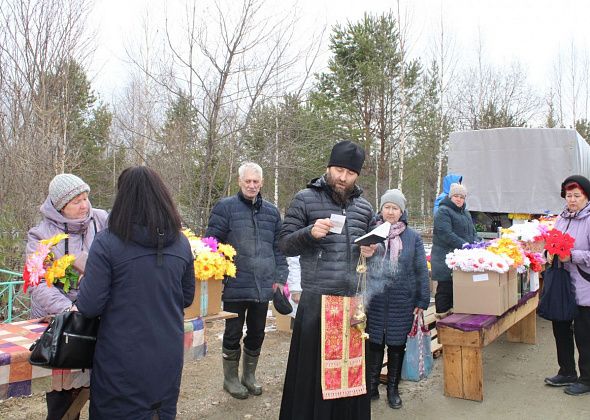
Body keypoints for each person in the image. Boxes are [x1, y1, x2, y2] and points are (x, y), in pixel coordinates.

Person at [76, 166, 195, 419]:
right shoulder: (181, 242)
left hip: (121, 358)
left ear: (123, 198)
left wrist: (87, 276)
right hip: (167, 353)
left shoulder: (108, 242)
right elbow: (186, 297)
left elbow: (89, 305)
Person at [278, 140, 376, 420]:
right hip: (318, 302)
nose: (343, 178)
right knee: (313, 375)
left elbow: (373, 252)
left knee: (351, 373)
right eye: (338, 170)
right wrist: (309, 233)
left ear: (358, 175)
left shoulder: (365, 207)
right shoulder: (305, 198)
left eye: (350, 173)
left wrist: (373, 250)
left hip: (353, 304)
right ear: (328, 167)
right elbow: (284, 244)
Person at [26, 173, 108, 420]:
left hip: (98, 315)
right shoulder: (41, 234)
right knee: (62, 401)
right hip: (60, 322)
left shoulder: (102, 220)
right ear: (60, 206)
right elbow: (36, 281)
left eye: (86, 198)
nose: (84, 205)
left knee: (100, 387)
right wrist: (69, 309)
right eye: (76, 201)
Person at [205, 162, 288, 399]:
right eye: (247, 181)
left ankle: (249, 377)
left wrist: (280, 278)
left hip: (263, 286)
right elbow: (211, 243)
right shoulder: (225, 208)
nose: (252, 185)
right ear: (239, 182)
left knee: (257, 333)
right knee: (232, 334)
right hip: (235, 285)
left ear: (261, 183)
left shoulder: (272, 212)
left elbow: (279, 248)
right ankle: (230, 379)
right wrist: (219, 273)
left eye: (255, 181)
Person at [365, 189, 430, 409]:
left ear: (402, 211)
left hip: (402, 299)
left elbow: (421, 270)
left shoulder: (412, 237)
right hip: (376, 298)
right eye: (387, 207)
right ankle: (371, 386)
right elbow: (360, 264)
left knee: (396, 345)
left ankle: (393, 389)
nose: (390, 212)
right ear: (381, 209)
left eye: (395, 208)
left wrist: (422, 301)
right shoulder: (372, 232)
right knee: (374, 342)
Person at [543, 175, 590, 396]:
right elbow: (552, 241)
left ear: (586, 196)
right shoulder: (562, 218)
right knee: (560, 327)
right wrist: (548, 251)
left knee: (584, 334)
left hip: (584, 284)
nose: (571, 200)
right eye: (569, 195)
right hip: (561, 283)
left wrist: (572, 256)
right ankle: (567, 371)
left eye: (576, 196)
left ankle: (587, 379)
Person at [430, 182, 478, 317]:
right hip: (445, 256)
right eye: (456, 196)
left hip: (461, 257)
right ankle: (442, 316)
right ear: (450, 197)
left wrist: (477, 243)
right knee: (445, 287)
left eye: (462, 197)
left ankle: (454, 317)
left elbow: (472, 232)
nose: (459, 199)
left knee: (457, 287)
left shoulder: (466, 213)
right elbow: (445, 233)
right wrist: (464, 245)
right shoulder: (443, 211)